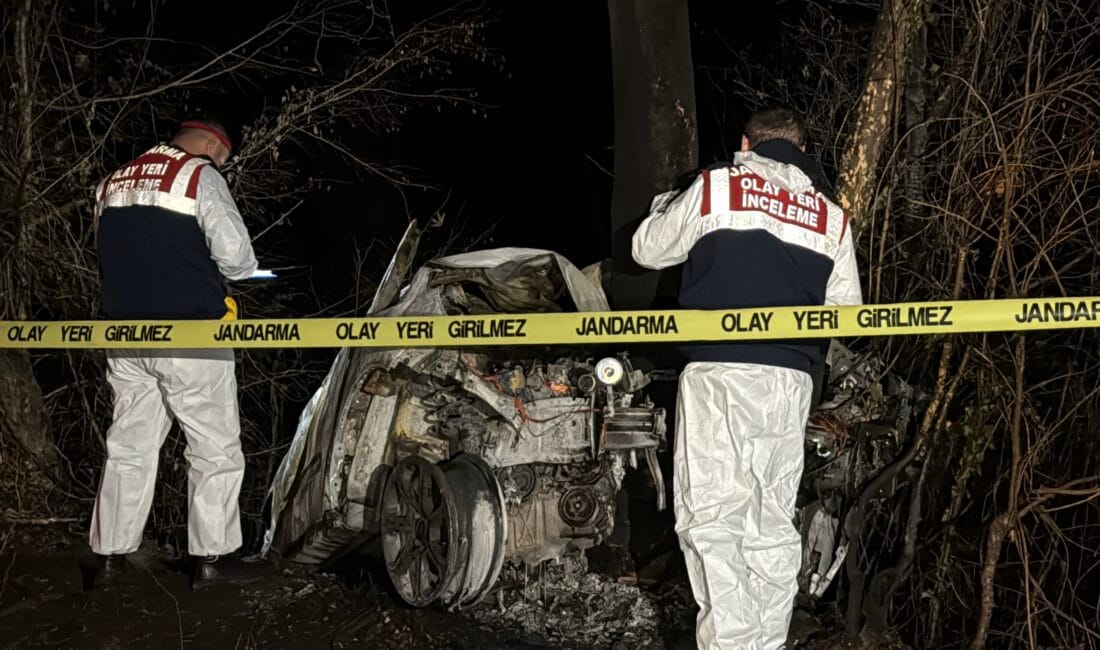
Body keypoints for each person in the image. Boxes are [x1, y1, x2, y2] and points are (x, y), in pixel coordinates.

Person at [632, 107, 862, 649]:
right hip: (790, 382)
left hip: (720, 371)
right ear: (803, 148)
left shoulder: (716, 186)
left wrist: (670, 201)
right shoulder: (831, 215)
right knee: (771, 524)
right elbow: (848, 310)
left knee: (713, 517)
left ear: (745, 144)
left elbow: (646, 249)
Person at [90, 117, 258, 586]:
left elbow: (109, 254)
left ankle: (110, 558)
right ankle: (212, 558)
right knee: (214, 448)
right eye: (223, 156)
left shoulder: (112, 181)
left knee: (128, 445)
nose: (221, 164)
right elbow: (238, 260)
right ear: (209, 144)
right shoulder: (197, 175)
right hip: (191, 337)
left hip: (124, 336)